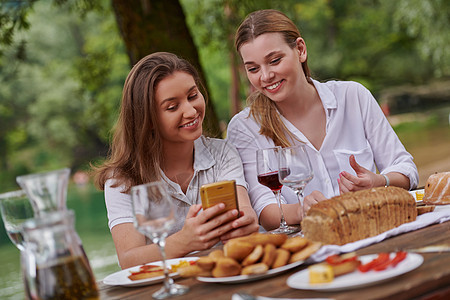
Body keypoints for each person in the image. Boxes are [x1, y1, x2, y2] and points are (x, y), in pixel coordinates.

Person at [227, 9, 419, 231]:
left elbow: (406, 169)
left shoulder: (353, 96)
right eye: (253, 68)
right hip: (311, 244)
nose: (265, 76)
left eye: (275, 60)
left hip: (373, 228)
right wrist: (302, 209)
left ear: (300, 49)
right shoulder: (245, 127)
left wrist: (379, 181)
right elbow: (264, 211)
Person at [93, 52, 258, 269]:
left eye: (192, 96)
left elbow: (244, 213)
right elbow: (129, 261)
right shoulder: (122, 180)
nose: (191, 111)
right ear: (147, 119)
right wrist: (184, 241)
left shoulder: (223, 153)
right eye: (172, 107)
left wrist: (245, 224)